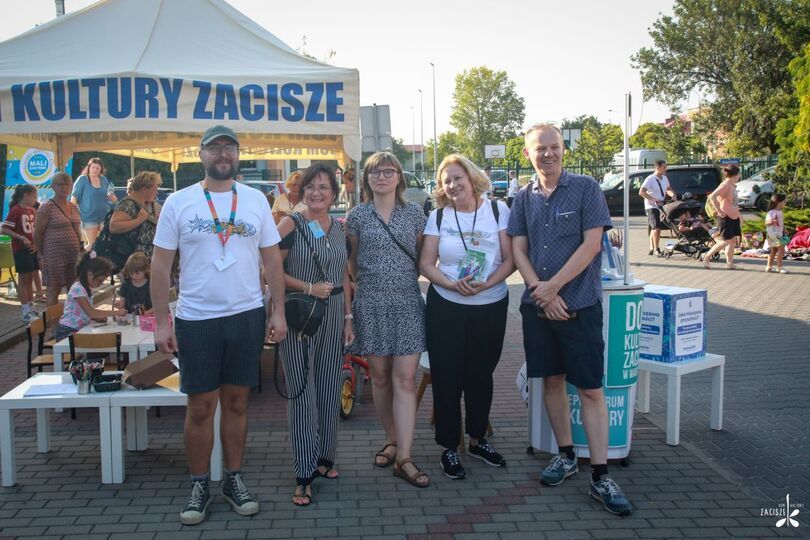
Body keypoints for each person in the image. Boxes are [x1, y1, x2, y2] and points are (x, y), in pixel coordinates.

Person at [151, 125, 288, 525]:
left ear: (239, 155)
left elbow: (272, 260)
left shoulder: (256, 201)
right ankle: (199, 484)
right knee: (199, 407)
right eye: (215, 148)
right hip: (196, 318)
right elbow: (160, 265)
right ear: (201, 154)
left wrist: (277, 310)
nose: (223, 155)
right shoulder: (179, 202)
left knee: (237, 403)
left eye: (230, 148)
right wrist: (163, 321)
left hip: (245, 315)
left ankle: (233, 479)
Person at [508, 123, 632, 515]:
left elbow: (592, 244)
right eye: (539, 149)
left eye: (554, 147)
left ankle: (600, 475)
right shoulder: (523, 197)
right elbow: (517, 247)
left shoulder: (586, 189)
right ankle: (565, 455)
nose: (547, 154)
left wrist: (554, 288)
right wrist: (538, 290)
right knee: (551, 382)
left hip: (578, 306)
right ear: (528, 154)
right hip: (540, 308)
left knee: (592, 390)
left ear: (563, 150)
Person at [419, 154, 513, 479]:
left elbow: (510, 260)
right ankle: (448, 446)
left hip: (490, 304)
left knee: (480, 375)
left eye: (458, 178)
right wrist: (451, 283)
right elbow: (427, 263)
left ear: (472, 178)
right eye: (446, 180)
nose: (453, 185)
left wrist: (487, 283)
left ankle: (477, 439)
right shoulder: (438, 216)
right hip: (447, 304)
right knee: (446, 377)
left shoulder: (499, 210)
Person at [346, 151, 430, 488]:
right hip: (371, 303)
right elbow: (350, 262)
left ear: (399, 177)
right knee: (379, 378)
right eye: (374, 172)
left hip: (408, 302)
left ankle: (405, 457)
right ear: (366, 179)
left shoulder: (415, 215)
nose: (381, 177)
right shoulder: (357, 216)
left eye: (388, 171)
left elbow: (424, 257)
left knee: (406, 379)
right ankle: (394, 440)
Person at [276, 164, 353, 506]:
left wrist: (349, 318)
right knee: (302, 392)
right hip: (299, 314)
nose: (316, 192)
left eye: (323, 187)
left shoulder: (338, 228)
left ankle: (324, 458)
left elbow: (344, 277)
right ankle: (303, 472)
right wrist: (308, 286)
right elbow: (270, 271)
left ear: (334, 194)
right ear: (301, 192)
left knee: (328, 384)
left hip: (333, 312)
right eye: (311, 186)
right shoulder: (290, 224)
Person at [34, 173, 85, 307]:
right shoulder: (47, 206)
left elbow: (78, 229)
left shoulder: (73, 206)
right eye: (60, 184)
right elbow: (37, 233)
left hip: (73, 255)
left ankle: (71, 321)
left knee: (73, 288)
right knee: (53, 289)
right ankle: (54, 325)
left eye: (67, 184)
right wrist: (42, 254)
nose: (64, 187)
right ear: (53, 187)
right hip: (53, 256)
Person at [53, 252, 126, 342]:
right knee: (103, 342)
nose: (100, 284)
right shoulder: (78, 289)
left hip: (78, 329)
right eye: (99, 280)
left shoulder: (85, 288)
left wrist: (96, 317)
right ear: (90, 274)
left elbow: (86, 313)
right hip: (67, 332)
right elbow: (91, 312)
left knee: (104, 341)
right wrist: (117, 312)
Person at [2, 185, 41, 321]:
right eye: (34, 196)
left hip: (32, 249)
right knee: (24, 280)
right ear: (26, 196)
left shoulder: (31, 210)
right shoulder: (16, 210)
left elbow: (35, 230)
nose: (36, 200)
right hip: (21, 249)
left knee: (30, 278)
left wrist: (36, 244)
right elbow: (5, 229)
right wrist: (21, 237)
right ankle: (24, 310)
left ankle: (31, 307)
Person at [108, 171, 162, 261]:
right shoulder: (128, 204)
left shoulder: (145, 205)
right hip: (132, 264)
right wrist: (139, 220)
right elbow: (114, 227)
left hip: (143, 262)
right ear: (145, 189)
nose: (157, 193)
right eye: (155, 189)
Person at [703, 165, 744, 270]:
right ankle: (707, 257)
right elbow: (713, 196)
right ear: (735, 175)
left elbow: (734, 204)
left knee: (732, 240)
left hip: (733, 217)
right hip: (725, 217)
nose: (739, 176)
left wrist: (740, 217)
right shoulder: (725, 185)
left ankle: (730, 263)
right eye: (739, 174)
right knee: (725, 241)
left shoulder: (732, 185)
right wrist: (719, 211)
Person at [71, 157, 117, 248]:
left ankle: (101, 261)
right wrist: (74, 214)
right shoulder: (82, 179)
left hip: (104, 216)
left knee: (105, 243)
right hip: (88, 217)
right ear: (89, 168)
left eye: (97, 168)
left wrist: (114, 199)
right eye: (93, 167)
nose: (95, 170)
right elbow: (74, 198)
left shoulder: (104, 179)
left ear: (101, 169)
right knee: (92, 245)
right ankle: (85, 261)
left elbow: (110, 195)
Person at [639, 160, 676, 255]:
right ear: (657, 168)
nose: (665, 169)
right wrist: (653, 199)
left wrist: (673, 195)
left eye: (666, 167)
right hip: (651, 206)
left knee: (654, 227)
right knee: (657, 227)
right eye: (664, 167)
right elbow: (641, 192)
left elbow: (668, 189)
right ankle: (656, 249)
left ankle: (651, 248)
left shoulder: (664, 178)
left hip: (661, 205)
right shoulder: (650, 179)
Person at [765, 193, 789, 274]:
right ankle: (779, 267)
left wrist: (784, 229)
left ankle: (769, 266)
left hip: (777, 234)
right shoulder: (771, 212)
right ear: (779, 202)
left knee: (774, 251)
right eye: (784, 202)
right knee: (781, 250)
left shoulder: (780, 212)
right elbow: (766, 223)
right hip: (773, 235)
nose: (785, 203)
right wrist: (772, 221)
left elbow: (781, 223)